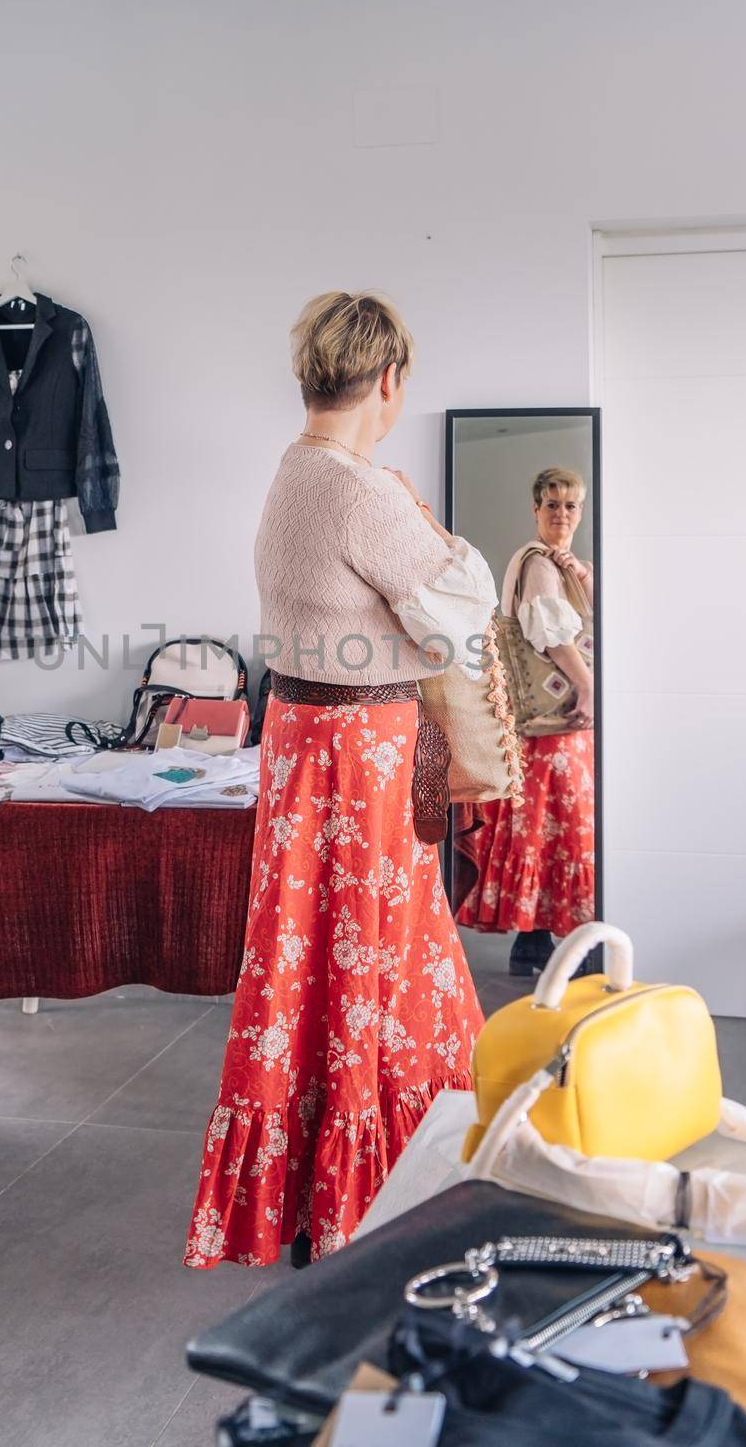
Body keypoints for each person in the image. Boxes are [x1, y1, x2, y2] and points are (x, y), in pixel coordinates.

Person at [184, 291, 495, 1269]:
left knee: (310, 956)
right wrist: (443, 538)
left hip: (304, 742)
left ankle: (326, 1183)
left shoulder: (295, 470)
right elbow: (463, 613)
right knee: (379, 959)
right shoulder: (361, 491)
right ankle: (385, 1181)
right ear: (388, 379)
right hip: (361, 756)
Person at [455, 467, 594, 974]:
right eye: (552, 505)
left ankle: (532, 945)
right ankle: (581, 949)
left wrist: (582, 575)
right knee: (568, 828)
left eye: (570, 505)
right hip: (555, 727)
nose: (561, 514)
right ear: (536, 510)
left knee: (539, 828)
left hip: (537, 726)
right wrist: (587, 684)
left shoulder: (554, 564)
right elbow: (553, 638)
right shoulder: (537, 563)